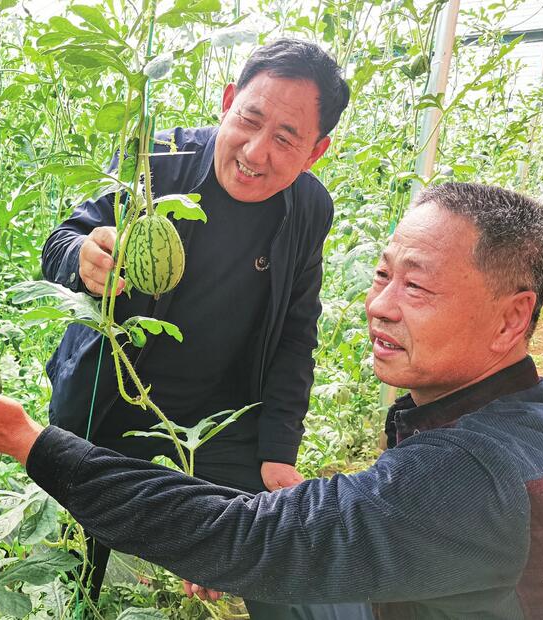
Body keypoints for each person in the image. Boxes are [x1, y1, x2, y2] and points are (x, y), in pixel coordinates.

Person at [0, 182, 543, 618]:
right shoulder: (527, 422)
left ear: (512, 319)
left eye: (415, 288)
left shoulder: (471, 477)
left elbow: (251, 536)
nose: (378, 306)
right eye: (383, 275)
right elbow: (307, 535)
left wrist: (26, 440)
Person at [40, 38, 349, 615]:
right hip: (113, 403)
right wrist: (82, 255)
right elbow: (62, 240)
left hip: (222, 422)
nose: (256, 152)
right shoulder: (155, 160)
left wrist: (279, 449)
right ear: (228, 101)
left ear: (316, 152)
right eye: (249, 120)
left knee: (274, 563)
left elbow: (295, 333)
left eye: (286, 139)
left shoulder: (310, 208)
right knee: (86, 572)